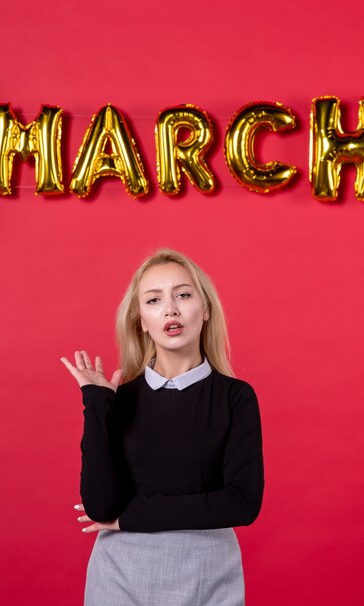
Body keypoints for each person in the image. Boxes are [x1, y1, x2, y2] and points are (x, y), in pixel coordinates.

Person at [60, 248, 264, 606]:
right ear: (142, 320)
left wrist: (131, 516)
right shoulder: (117, 399)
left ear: (205, 310)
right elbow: (100, 507)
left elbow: (242, 504)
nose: (171, 308)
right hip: (120, 574)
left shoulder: (235, 397)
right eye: (154, 300)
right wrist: (96, 403)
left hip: (208, 573)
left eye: (183, 295)